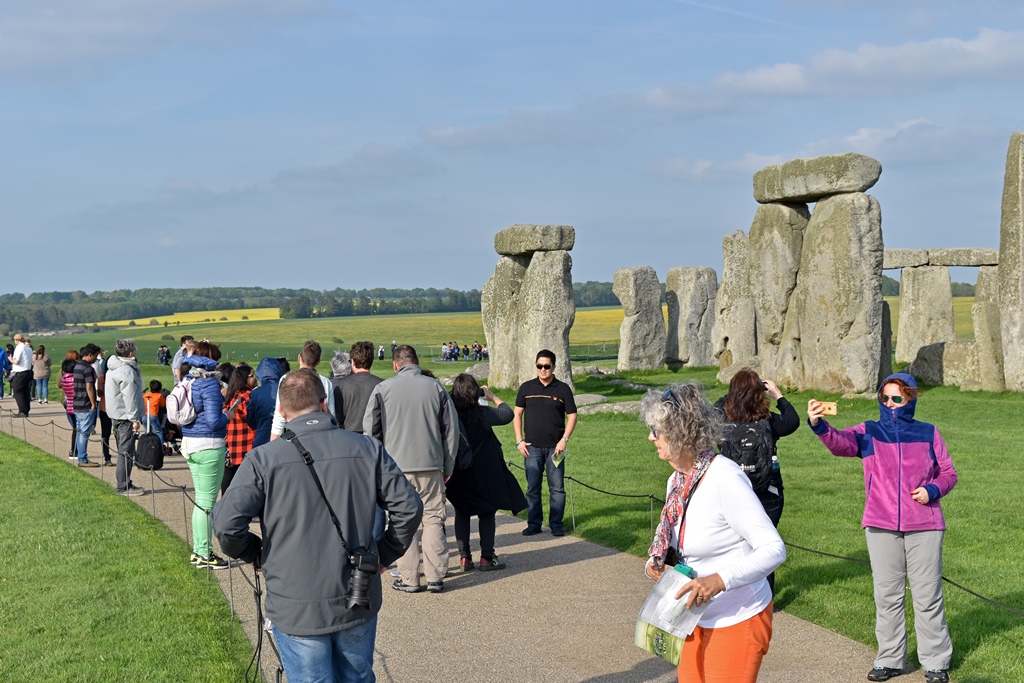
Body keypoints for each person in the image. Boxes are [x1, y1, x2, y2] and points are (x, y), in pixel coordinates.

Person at [212, 369, 423, 683]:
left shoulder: (263, 460)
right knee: (357, 677)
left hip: (296, 600)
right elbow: (409, 508)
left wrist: (256, 553)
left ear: (280, 412)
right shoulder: (366, 448)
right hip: (356, 590)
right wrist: (383, 554)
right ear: (325, 404)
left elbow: (227, 525)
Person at [808, 373, 956, 683]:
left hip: (925, 524)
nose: (889, 404)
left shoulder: (928, 433)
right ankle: (890, 660)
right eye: (884, 398)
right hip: (881, 522)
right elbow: (840, 443)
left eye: (897, 399)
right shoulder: (869, 431)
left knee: (927, 596)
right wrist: (819, 425)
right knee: (887, 595)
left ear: (910, 400)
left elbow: (948, 473)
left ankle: (936, 663)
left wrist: (932, 490)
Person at [643, 382, 785, 683]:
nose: (650, 437)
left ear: (681, 433)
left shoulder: (724, 478)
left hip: (737, 618)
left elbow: (774, 549)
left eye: (657, 431)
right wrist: (658, 564)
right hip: (691, 617)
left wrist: (719, 581)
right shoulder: (677, 481)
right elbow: (677, 539)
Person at [364, 345, 459, 593]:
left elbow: (371, 432)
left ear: (396, 364)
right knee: (433, 519)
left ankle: (409, 578)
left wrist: (377, 467)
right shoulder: (436, 387)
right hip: (430, 465)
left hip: (395, 469)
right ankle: (436, 576)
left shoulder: (383, 389)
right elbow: (451, 431)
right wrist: (447, 464)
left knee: (400, 521)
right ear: (416, 362)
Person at [714, 369, 799, 595]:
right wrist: (778, 395)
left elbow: (709, 412)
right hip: (768, 492)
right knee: (766, 546)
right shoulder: (767, 420)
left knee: (733, 546)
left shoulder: (721, 420)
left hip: (732, 493)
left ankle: (736, 597)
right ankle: (765, 599)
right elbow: (793, 421)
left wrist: (734, 394)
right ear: (759, 393)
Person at [447, 374, 527, 572]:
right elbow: (508, 414)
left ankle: (464, 557)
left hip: (459, 470)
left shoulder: (450, 415)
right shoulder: (483, 413)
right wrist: (492, 396)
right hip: (484, 470)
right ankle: (486, 557)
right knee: (487, 511)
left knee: (462, 512)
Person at [513, 349, 577, 537]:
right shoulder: (526, 388)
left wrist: (564, 440)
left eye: (547, 366)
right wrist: (519, 441)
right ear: (535, 366)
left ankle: (556, 524)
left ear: (554, 367)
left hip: (555, 448)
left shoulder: (562, 389)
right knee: (533, 487)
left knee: (557, 488)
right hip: (531, 448)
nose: (543, 370)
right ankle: (534, 523)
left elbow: (572, 415)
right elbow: (517, 413)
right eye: (539, 366)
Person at [180, 340, 232, 569]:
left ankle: (199, 550)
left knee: (201, 501)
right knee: (206, 503)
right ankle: (204, 554)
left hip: (191, 442)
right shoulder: (209, 383)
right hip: (208, 445)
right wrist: (228, 415)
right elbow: (213, 420)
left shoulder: (189, 378)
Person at [104, 339, 147, 496]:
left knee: (125, 450)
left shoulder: (113, 368)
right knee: (126, 452)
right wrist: (134, 419)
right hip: (125, 415)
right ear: (130, 353)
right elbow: (130, 397)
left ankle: (126, 482)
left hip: (117, 413)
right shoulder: (126, 371)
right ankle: (123, 486)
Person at [270, 340, 335, 441]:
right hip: (319, 435)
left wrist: (273, 442)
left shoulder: (286, 379)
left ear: (299, 357)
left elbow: (279, 417)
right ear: (318, 361)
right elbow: (331, 414)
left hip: (293, 435)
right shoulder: (326, 382)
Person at [222, 363, 256, 494]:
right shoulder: (247, 397)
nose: (255, 378)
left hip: (231, 443)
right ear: (244, 379)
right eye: (252, 375)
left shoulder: (232, 394)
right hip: (245, 442)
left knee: (229, 479)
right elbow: (252, 419)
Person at [335, 342, 382, 434]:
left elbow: (338, 417)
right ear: (371, 361)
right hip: (375, 436)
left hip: (350, 435)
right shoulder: (382, 385)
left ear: (352, 362)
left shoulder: (342, 385)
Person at [72, 344, 102, 467]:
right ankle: (83, 459)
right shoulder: (88, 368)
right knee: (84, 433)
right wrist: (94, 404)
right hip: (85, 403)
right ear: (89, 355)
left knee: (80, 431)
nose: (96, 358)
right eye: (95, 356)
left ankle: (80, 456)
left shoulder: (77, 365)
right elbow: (89, 387)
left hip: (76, 402)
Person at [246, 357, 283, 448]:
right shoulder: (287, 388)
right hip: (284, 436)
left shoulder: (255, 393)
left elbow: (251, 420)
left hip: (262, 436)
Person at [93, 348, 113, 466]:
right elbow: (99, 393)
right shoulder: (103, 378)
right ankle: (107, 457)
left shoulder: (104, 377)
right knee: (106, 435)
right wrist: (102, 389)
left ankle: (121, 456)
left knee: (114, 434)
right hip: (106, 409)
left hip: (108, 409)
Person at [9, 333, 33, 417]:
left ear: (17, 340)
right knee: (25, 391)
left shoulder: (19, 348)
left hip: (20, 372)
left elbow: (17, 361)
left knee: (17, 390)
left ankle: (22, 411)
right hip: (28, 371)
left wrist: (11, 359)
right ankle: (26, 410)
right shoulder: (28, 348)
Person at [60, 354, 79, 460]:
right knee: (77, 430)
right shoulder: (75, 378)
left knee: (75, 429)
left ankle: (74, 450)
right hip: (76, 405)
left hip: (69, 406)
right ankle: (75, 450)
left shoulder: (64, 378)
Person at [142, 379, 166, 449]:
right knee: (159, 432)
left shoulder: (146, 394)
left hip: (144, 416)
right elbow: (162, 405)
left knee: (147, 432)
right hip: (153, 416)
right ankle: (160, 448)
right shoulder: (159, 395)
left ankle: (147, 448)